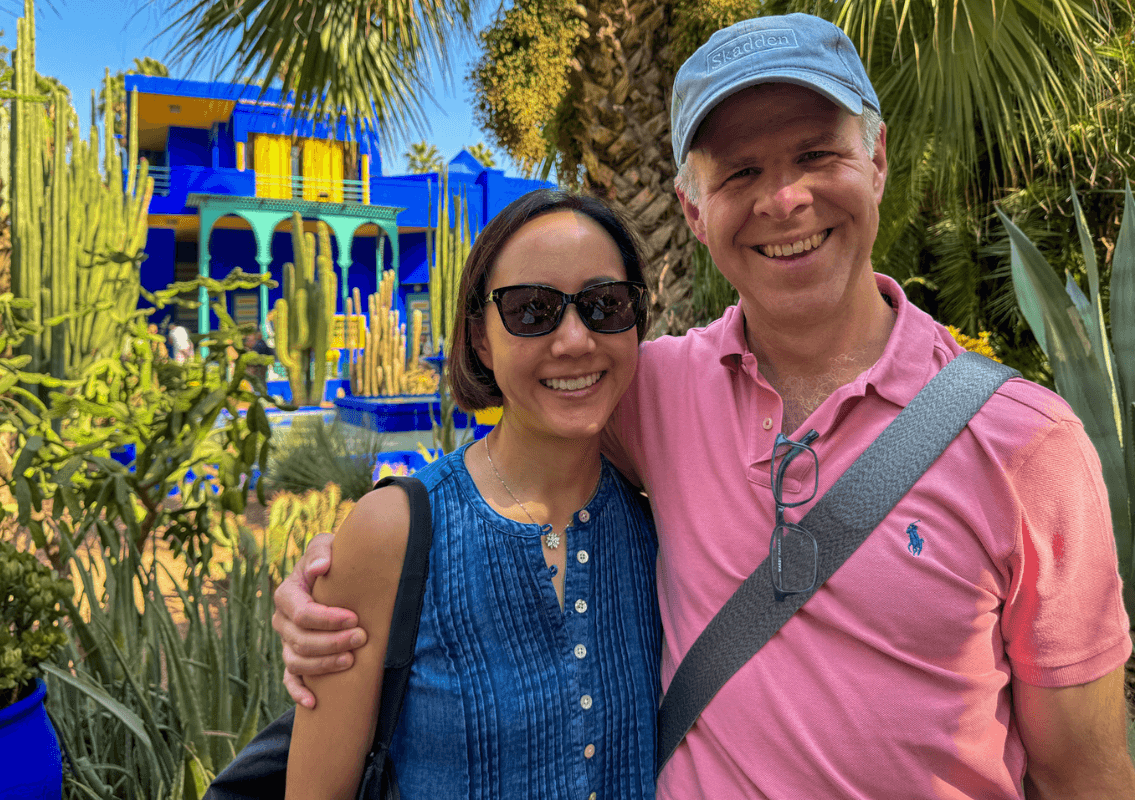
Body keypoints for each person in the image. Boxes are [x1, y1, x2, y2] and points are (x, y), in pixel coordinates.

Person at [274, 14, 1135, 799]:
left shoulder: (1029, 446)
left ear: (876, 160)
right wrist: (341, 573)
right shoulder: (647, 388)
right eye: (742, 172)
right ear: (694, 207)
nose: (784, 199)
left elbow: (1085, 774)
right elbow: (509, 459)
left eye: (816, 154)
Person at [285, 189, 662, 799]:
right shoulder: (394, 532)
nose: (574, 340)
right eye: (532, 310)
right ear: (481, 339)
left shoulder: (662, 525)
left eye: (604, 305)